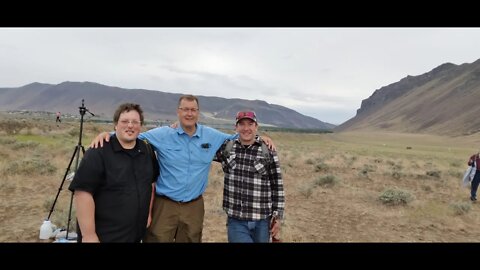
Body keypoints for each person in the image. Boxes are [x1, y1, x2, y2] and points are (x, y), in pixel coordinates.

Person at [90, 95, 275, 242]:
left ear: (198, 113)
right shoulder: (163, 134)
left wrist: (263, 138)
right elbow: (135, 134)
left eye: (193, 110)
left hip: (194, 205)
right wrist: (108, 133)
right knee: (157, 239)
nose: (189, 113)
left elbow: (239, 136)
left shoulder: (211, 135)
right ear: (178, 112)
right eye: (185, 109)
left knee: (191, 239)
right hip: (165, 204)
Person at [68, 103, 159, 242]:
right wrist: (89, 235)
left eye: (135, 122)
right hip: (105, 235)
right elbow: (82, 193)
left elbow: (151, 183)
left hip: (135, 233)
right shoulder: (98, 152)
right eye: (125, 121)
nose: (130, 125)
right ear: (115, 125)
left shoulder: (147, 150)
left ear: (140, 126)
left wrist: (148, 214)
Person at [214, 111, 285, 243]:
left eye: (250, 124)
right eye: (241, 124)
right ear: (236, 128)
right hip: (236, 219)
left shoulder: (268, 150)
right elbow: (201, 150)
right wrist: (179, 127)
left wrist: (278, 217)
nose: (246, 128)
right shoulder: (227, 148)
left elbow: (277, 185)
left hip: (262, 220)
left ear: (256, 126)